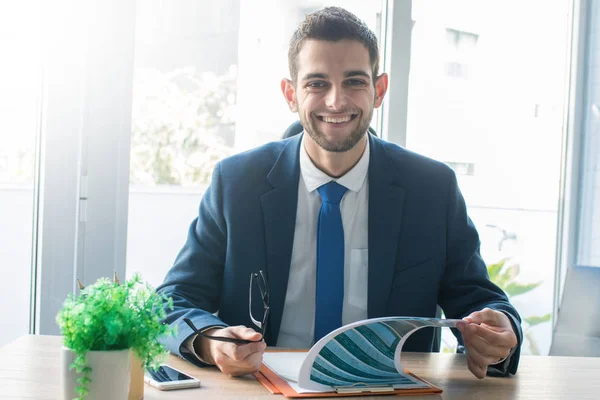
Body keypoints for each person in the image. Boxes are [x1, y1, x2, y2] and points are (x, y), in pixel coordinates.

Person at [157, 6, 522, 380]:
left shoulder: (432, 189)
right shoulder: (237, 183)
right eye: (317, 83)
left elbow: (483, 301)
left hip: (390, 390)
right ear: (290, 94)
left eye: (354, 82)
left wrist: (498, 331)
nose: (336, 101)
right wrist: (212, 339)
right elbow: (172, 301)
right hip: (262, 386)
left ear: (378, 90)